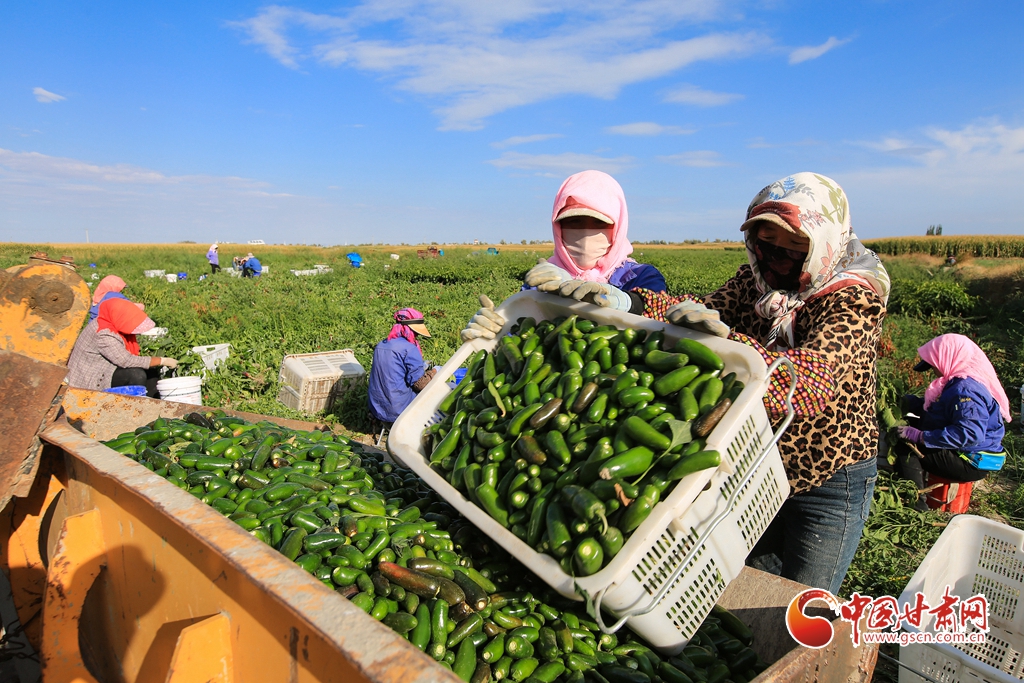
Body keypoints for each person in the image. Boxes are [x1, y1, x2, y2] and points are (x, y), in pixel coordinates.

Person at [633, 172, 891, 594]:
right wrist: (631, 302)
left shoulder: (854, 298)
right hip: (761, 466)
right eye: (767, 242)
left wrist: (729, 344)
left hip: (830, 473)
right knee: (749, 584)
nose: (777, 256)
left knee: (801, 600)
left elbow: (806, 383)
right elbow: (699, 311)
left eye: (795, 245)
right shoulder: (753, 281)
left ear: (825, 240)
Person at [462, 170, 667, 340]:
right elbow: (521, 335)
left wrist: (626, 302)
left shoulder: (642, 277)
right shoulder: (543, 280)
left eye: (599, 223)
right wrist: (499, 331)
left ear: (618, 226)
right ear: (558, 227)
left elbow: (661, 323)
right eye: (574, 221)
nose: (586, 233)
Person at [894, 334, 1009, 510]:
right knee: (912, 422)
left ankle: (916, 506)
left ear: (949, 358)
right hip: (967, 452)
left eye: (934, 365)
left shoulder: (965, 391)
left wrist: (921, 437)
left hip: (970, 461)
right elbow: (939, 411)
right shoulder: (959, 382)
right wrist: (904, 402)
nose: (934, 370)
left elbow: (970, 434)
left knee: (905, 444)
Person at [68, 298, 179, 397]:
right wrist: (162, 360)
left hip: (104, 369)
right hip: (90, 381)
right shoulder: (104, 333)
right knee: (136, 375)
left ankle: (154, 404)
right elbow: (126, 360)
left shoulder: (110, 321)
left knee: (151, 372)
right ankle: (134, 406)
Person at [367, 309, 437, 425]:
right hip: (398, 409)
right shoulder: (409, 348)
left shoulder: (381, 345)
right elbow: (420, 385)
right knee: (435, 390)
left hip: (376, 407)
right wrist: (434, 372)